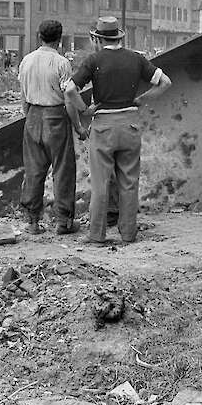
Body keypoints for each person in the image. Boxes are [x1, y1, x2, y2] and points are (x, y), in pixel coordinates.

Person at [65, 16, 172, 244]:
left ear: (97, 38)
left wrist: (86, 110)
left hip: (103, 127)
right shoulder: (136, 59)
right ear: (119, 36)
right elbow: (165, 83)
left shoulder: (94, 60)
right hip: (130, 125)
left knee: (101, 183)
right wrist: (141, 100)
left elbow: (69, 91)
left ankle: (97, 234)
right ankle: (128, 233)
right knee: (129, 182)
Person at [18, 19, 88, 235]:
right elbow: (69, 97)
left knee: (33, 171)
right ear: (60, 40)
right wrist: (77, 125)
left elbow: (23, 95)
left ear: (39, 36)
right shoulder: (61, 63)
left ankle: (32, 222)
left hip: (32, 116)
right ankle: (64, 222)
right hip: (56, 117)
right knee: (63, 170)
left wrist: (28, 116)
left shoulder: (26, 61)